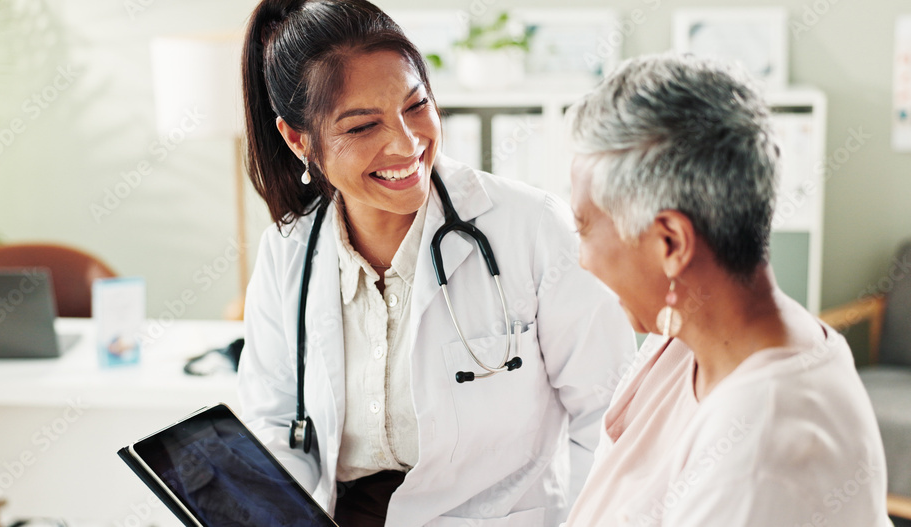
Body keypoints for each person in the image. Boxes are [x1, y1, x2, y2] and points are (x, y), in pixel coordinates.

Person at [235, 0, 635, 525]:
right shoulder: (288, 251)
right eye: (362, 127)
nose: (406, 144)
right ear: (298, 138)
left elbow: (612, 417)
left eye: (416, 105)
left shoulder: (532, 228)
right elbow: (274, 422)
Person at [563, 53, 892, 527]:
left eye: (584, 227)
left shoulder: (760, 458)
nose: (581, 258)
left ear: (671, 242)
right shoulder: (684, 334)